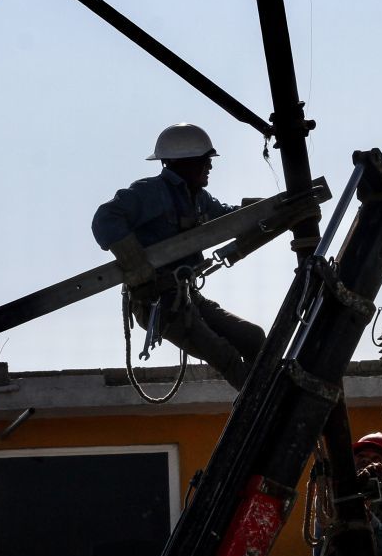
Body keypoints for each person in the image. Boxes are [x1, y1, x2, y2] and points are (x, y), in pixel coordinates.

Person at [91, 123, 265, 390]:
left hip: (187, 296)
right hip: (158, 303)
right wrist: (135, 264)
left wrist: (266, 210)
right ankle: (261, 406)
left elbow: (227, 217)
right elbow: (105, 219)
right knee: (224, 356)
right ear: (185, 162)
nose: (210, 166)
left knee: (253, 337)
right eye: (205, 161)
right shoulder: (151, 192)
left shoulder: (199, 199)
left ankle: (268, 394)